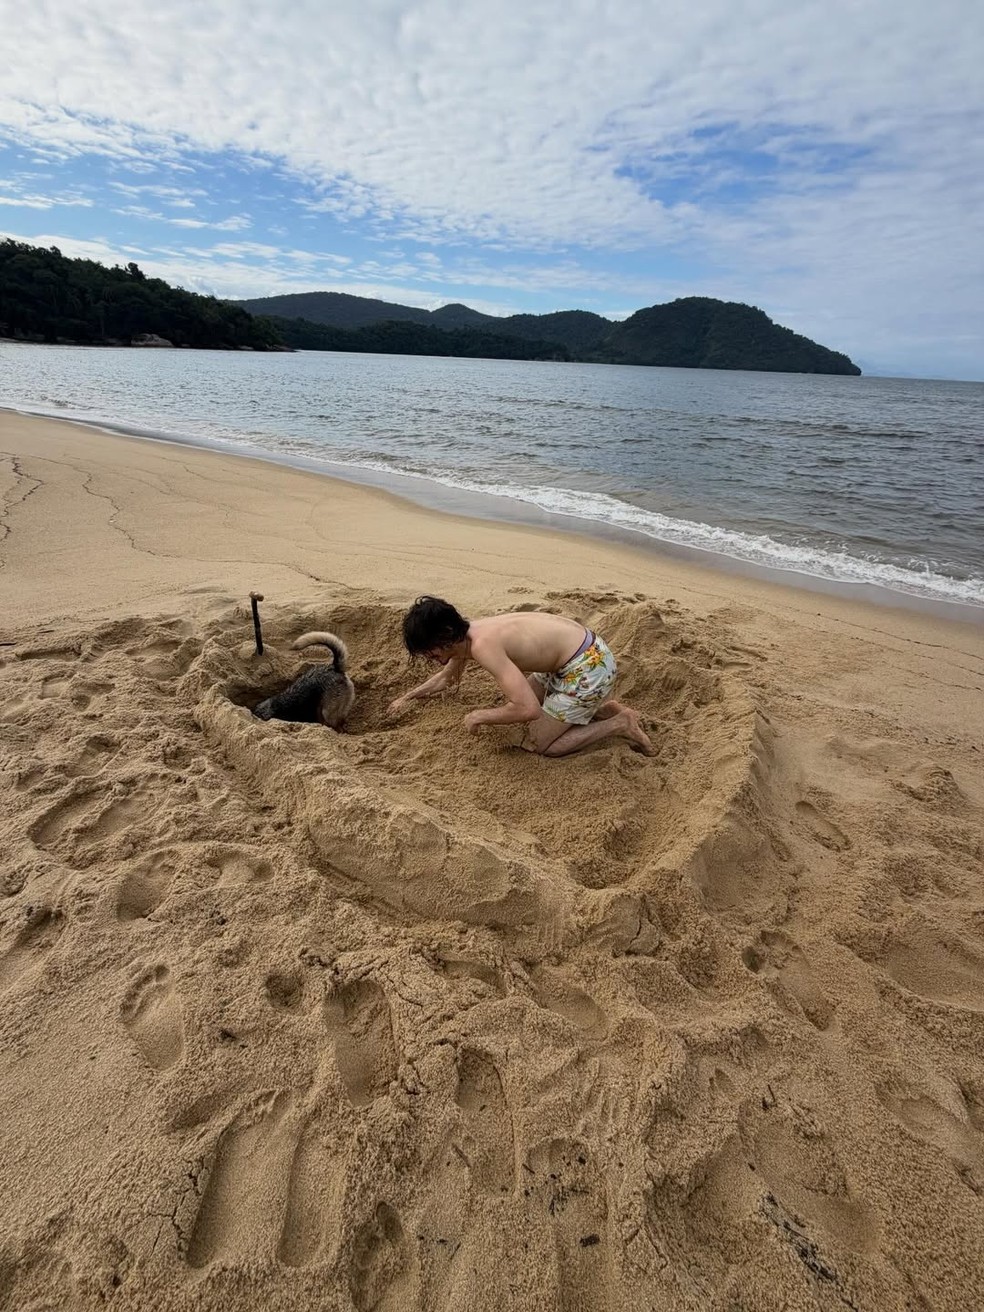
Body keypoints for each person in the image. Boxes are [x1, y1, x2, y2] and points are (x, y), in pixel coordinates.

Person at [387, 596, 653, 757]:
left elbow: (528, 709)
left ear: (444, 637)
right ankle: (604, 710)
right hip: (575, 656)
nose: (428, 657)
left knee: (540, 743)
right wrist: (406, 698)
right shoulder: (466, 634)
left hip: (589, 667)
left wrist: (481, 716)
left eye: (428, 650)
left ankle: (620, 724)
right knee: (530, 703)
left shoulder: (482, 646)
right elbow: (448, 679)